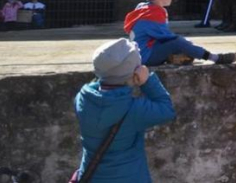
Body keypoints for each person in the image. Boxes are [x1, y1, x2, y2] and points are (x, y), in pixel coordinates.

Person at [74, 38, 175, 182]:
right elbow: (167, 109)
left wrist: (111, 72)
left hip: (92, 175)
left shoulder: (82, 99)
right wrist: (147, 81)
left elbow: (105, 81)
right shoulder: (134, 110)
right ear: (134, 74)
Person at [124, 0, 236, 66]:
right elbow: (171, 38)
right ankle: (214, 58)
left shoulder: (143, 8)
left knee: (181, 44)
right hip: (146, 57)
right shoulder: (154, 14)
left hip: (140, 54)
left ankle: (175, 57)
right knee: (178, 42)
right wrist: (189, 46)